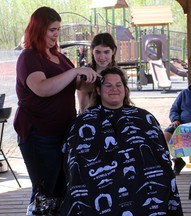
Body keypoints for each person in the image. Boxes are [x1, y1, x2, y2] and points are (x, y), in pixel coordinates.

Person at [61, 66, 183, 215]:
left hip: (141, 176)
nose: (114, 89)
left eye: (119, 85)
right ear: (98, 90)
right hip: (100, 181)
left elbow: (161, 155)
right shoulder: (84, 122)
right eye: (108, 85)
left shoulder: (145, 117)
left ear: (125, 89)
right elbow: (76, 162)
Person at [14, 6, 100, 215]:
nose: (56, 35)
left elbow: (78, 85)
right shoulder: (28, 57)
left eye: (58, 30)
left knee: (62, 190)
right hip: (39, 135)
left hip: (63, 134)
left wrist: (99, 81)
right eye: (52, 29)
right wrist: (75, 71)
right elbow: (42, 88)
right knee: (45, 193)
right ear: (38, 29)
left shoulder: (59, 57)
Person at [77, 32, 117, 113]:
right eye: (98, 52)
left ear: (113, 51)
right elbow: (84, 108)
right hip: (91, 118)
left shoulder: (120, 73)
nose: (102, 57)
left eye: (106, 52)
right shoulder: (85, 74)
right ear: (92, 51)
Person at [163, 83, 191, 175]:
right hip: (182, 124)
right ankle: (178, 161)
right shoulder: (184, 93)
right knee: (165, 135)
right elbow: (174, 109)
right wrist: (175, 119)